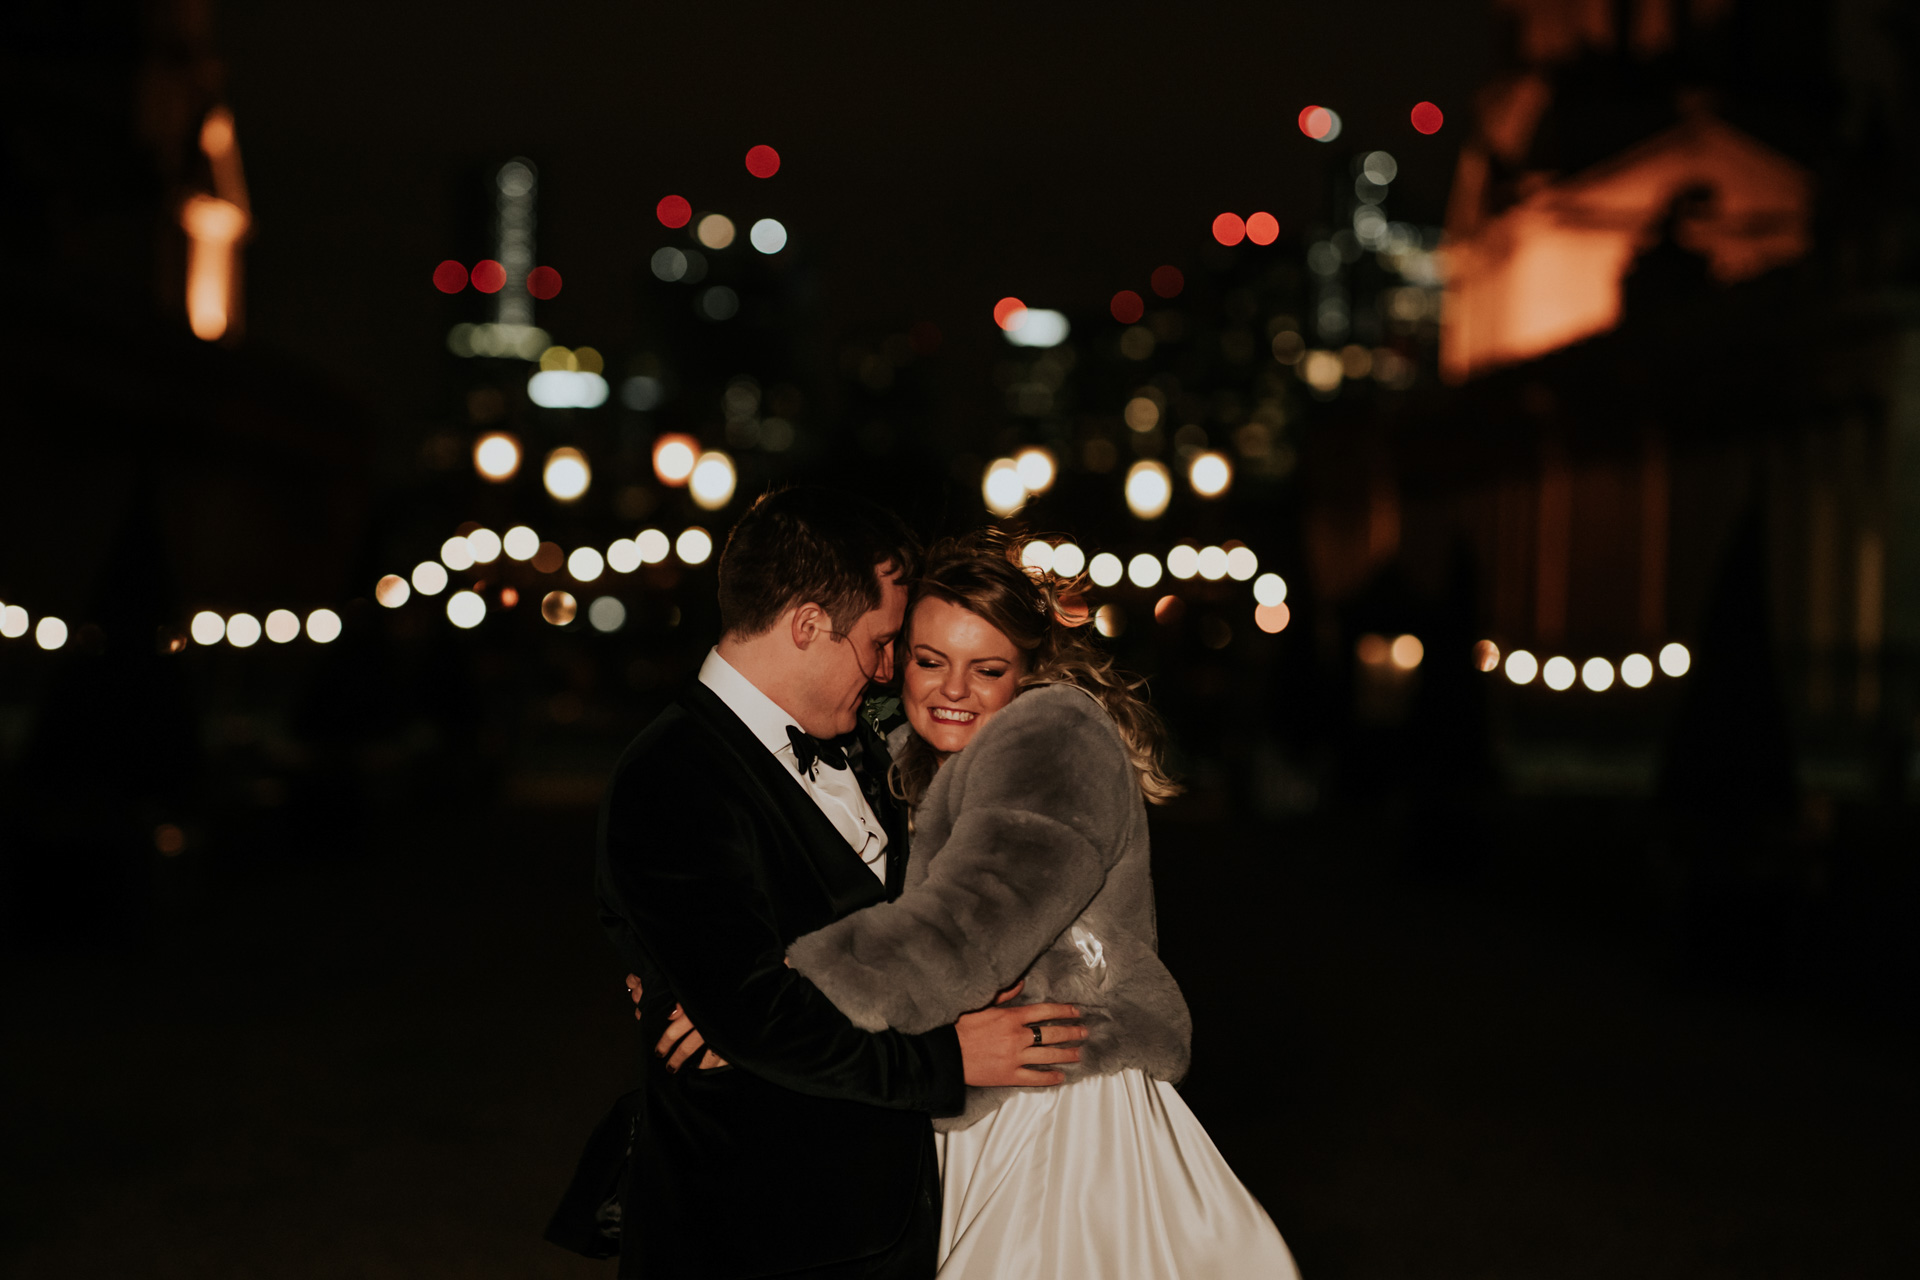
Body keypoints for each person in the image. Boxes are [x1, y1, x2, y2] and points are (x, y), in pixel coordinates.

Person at [652, 532, 1298, 1278]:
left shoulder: (1055, 736)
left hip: (1060, 1110)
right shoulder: (904, 757)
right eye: (930, 661)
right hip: (967, 1096)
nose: (953, 690)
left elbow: (963, 929)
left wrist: (771, 1004)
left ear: (1028, 670)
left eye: (986, 669)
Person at [549, 491, 1085, 1280]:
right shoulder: (673, 776)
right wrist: (945, 1059)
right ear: (806, 624)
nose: (885, 669)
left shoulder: (867, 744)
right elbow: (759, 1016)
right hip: (758, 1233)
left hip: (889, 1215)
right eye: (877, 643)